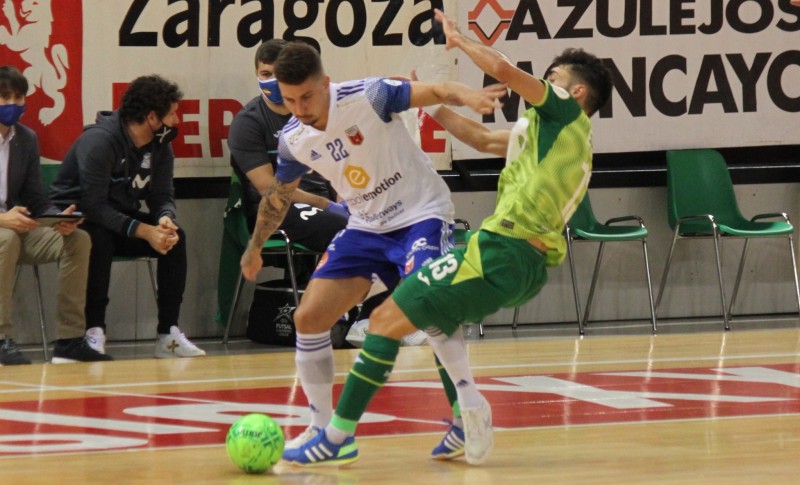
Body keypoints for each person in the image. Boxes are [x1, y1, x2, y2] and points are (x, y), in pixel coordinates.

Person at [284, 9, 614, 467]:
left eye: (553, 77)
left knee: (385, 321)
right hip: (521, 263)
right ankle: (463, 416)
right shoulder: (542, 135)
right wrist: (431, 103)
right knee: (421, 312)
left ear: (575, 92)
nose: (544, 81)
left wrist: (460, 41)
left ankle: (342, 435)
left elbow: (501, 70)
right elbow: (477, 138)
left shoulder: (563, 115)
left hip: (503, 251)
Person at [238, 42, 504, 457]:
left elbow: (432, 91)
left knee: (429, 306)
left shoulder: (369, 95)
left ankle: (469, 410)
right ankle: (324, 432)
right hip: (366, 226)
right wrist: (254, 247)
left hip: (421, 214)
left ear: (325, 83)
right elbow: (277, 195)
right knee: (309, 317)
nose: (300, 107)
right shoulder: (293, 139)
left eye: (306, 96)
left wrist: (468, 95)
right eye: (289, 100)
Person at [223, 39, 419, 346]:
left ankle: (385, 315)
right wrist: (328, 204)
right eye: (264, 73)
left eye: (277, 73)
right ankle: (358, 317)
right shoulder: (248, 122)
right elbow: (268, 189)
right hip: (280, 207)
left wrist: (350, 199)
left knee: (388, 221)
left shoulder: (321, 109)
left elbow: (348, 162)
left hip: (328, 199)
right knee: (348, 228)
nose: (272, 81)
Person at [49, 75, 205, 359]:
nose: (177, 120)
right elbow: (94, 205)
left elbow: (161, 195)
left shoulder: (160, 145)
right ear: (151, 117)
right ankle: (94, 331)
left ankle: (167, 333)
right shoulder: (100, 141)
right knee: (98, 238)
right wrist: (144, 231)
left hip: (120, 217)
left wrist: (164, 219)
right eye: (172, 113)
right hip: (77, 220)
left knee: (175, 238)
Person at [0, 65, 111, 364]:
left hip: (18, 226)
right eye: (4, 97)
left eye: (18, 98)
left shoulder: (26, 138)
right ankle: (2, 338)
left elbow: (36, 197)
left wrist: (57, 216)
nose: (12, 104)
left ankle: (70, 340)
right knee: (7, 237)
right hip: (5, 231)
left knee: (78, 240)